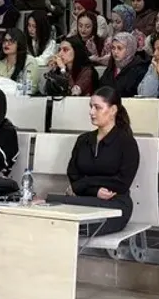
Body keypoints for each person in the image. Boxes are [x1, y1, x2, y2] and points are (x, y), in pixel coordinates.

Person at [45, 88, 140, 235]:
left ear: (113, 110)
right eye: (91, 107)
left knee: (59, 217)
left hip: (114, 205)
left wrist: (82, 184)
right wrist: (94, 190)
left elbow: (121, 183)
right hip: (83, 200)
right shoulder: (83, 140)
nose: (91, 112)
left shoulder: (126, 142)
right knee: (50, 207)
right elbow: (73, 174)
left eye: (97, 107)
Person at [100, 33, 148, 98]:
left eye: (119, 48)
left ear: (129, 49)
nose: (115, 52)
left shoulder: (140, 69)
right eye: (113, 48)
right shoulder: (111, 67)